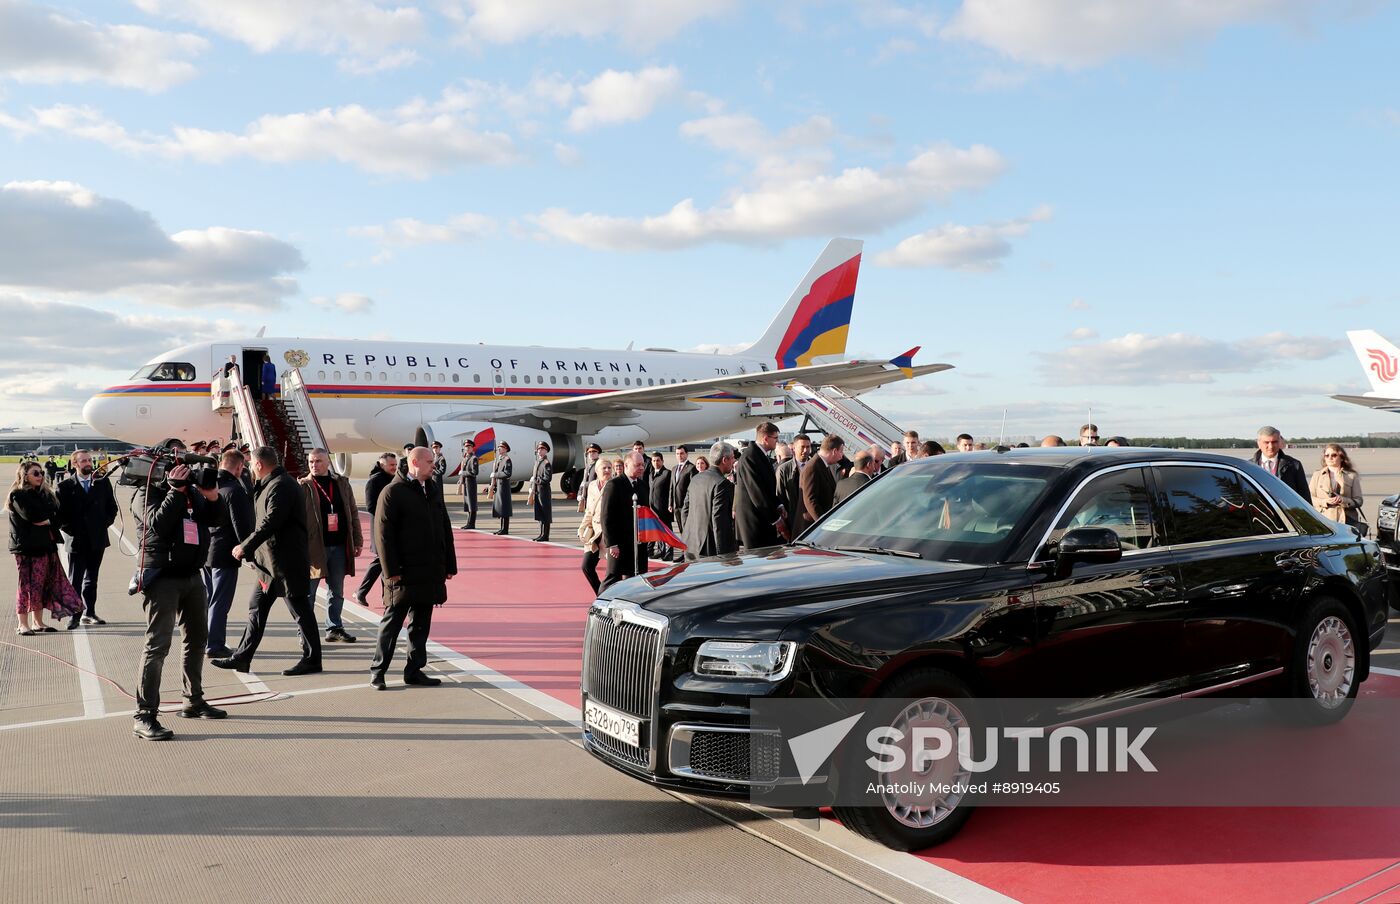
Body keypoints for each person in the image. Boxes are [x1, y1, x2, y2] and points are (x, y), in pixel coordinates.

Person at [129, 465, 229, 739]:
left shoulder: (191, 493)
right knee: (157, 645)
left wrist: (211, 497)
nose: (183, 470)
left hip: (192, 575)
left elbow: (216, 519)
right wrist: (174, 491)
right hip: (162, 577)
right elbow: (157, 524)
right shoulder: (145, 492)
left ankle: (193, 700)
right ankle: (144, 714)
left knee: (197, 640)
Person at [213, 446, 323, 677]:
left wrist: (246, 545)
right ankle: (242, 658)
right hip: (270, 564)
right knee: (257, 608)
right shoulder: (269, 484)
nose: (250, 468)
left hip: (285, 562)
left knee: (300, 610)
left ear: (259, 464)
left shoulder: (282, 485)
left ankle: (312, 659)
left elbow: (271, 521)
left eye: (252, 464)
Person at [370, 446, 457, 690]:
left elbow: (444, 528)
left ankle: (415, 669)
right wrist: (391, 571)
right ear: (415, 462)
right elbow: (383, 535)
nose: (434, 465)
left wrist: (449, 564)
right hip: (403, 573)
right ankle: (378, 671)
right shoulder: (392, 492)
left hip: (429, 571)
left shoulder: (432, 489)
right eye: (429, 461)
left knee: (420, 624)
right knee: (392, 623)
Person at [8, 461, 83, 635]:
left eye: (41, 473)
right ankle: (22, 624)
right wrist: (49, 517)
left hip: (46, 545)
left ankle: (38, 622)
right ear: (24, 475)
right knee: (26, 586)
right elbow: (32, 516)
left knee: (41, 586)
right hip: (26, 548)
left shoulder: (45, 495)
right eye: (35, 473)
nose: (40, 476)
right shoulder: (18, 495)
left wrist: (48, 520)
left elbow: (59, 517)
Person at [302, 448, 364, 644]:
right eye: (311, 462)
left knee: (336, 591)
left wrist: (357, 539)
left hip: (338, 545)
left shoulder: (341, 484)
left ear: (328, 462)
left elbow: (352, 512)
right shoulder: (303, 485)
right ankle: (306, 633)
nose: (314, 465)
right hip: (313, 548)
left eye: (318, 461)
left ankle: (334, 627)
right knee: (308, 593)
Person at [55, 449, 119, 629]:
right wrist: (75, 531)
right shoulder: (65, 487)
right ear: (75, 464)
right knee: (75, 580)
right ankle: (75, 615)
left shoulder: (102, 482)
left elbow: (111, 508)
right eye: (83, 461)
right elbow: (60, 517)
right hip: (77, 541)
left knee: (92, 579)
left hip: (97, 539)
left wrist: (102, 525)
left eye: (89, 460)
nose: (88, 464)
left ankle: (90, 612)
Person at [203, 450, 253, 658]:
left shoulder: (208, 486)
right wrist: (249, 552)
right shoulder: (234, 490)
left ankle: (205, 639)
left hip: (206, 550)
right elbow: (241, 525)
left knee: (209, 598)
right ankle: (214, 644)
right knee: (220, 601)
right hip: (225, 553)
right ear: (240, 467)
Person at [599, 451, 650, 592]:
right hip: (619, 545)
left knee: (637, 579)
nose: (641, 468)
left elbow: (647, 513)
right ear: (626, 465)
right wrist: (612, 544)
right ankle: (600, 605)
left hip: (638, 544)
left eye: (642, 464)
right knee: (612, 578)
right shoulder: (614, 485)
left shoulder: (643, 486)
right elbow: (606, 517)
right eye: (637, 465)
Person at [353, 452, 397, 605]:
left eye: (395, 465)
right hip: (379, 527)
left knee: (385, 562)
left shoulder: (392, 479)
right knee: (381, 560)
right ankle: (362, 592)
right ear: (382, 464)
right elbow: (371, 506)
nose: (394, 467)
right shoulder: (374, 481)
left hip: (391, 527)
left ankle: (386, 596)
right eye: (391, 465)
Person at [681, 442, 738, 560]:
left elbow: (685, 511)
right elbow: (719, 520)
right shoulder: (722, 484)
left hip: (690, 544)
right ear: (724, 460)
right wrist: (724, 554)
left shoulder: (696, 478)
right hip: (709, 550)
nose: (734, 461)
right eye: (732, 458)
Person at [735, 422, 787, 550]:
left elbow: (767, 487)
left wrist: (778, 505)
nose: (777, 441)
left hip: (762, 519)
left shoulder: (760, 455)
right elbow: (757, 493)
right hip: (753, 522)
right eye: (775, 438)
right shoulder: (750, 457)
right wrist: (777, 520)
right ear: (766, 438)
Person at [577, 458, 616, 595]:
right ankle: (601, 595)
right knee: (586, 566)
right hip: (594, 533)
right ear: (597, 471)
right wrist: (582, 528)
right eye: (604, 468)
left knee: (613, 572)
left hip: (608, 533)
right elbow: (589, 511)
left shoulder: (615, 485)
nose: (607, 470)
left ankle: (609, 597)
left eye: (609, 468)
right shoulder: (592, 485)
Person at [1310, 445, 1365, 528]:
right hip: (1323, 520)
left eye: (1334, 455)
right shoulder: (1317, 475)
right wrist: (1325, 501)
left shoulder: (1351, 476)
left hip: (1347, 521)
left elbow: (1359, 500)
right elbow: (1309, 498)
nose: (1330, 458)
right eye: (1327, 455)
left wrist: (1343, 500)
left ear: (1341, 457)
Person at [1249, 426, 1310, 500]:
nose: (1271, 446)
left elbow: (1305, 497)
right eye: (1266, 442)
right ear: (1259, 443)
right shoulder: (1249, 466)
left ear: (1279, 442)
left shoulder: (1294, 465)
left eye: (1274, 442)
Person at [799, 434, 844, 532]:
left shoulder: (822, 465)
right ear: (834, 451)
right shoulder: (813, 467)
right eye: (841, 451)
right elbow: (810, 500)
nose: (841, 456)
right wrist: (823, 524)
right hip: (812, 528)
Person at [775, 433, 812, 540]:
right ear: (794, 449)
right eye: (802, 447)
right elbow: (779, 495)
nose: (805, 450)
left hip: (810, 521)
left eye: (808, 447)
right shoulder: (783, 470)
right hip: (792, 519)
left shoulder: (814, 467)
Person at [647, 451, 675, 561]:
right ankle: (661, 551)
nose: (655, 463)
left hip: (664, 509)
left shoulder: (667, 473)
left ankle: (668, 553)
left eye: (658, 460)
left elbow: (670, 491)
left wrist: (670, 504)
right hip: (653, 509)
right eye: (653, 461)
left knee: (667, 532)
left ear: (662, 461)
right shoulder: (651, 474)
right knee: (658, 532)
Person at [529, 441, 554, 542]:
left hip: (544, 490)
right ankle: (541, 533)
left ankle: (545, 535)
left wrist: (537, 480)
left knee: (545, 512)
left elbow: (547, 478)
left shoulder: (546, 463)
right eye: (539, 449)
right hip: (537, 490)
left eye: (542, 449)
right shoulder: (537, 462)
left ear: (546, 451)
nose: (540, 451)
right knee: (540, 512)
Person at [669, 445, 696, 534]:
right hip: (676, 506)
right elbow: (671, 487)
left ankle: (688, 547)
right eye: (677, 454)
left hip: (686, 505)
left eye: (681, 453)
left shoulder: (691, 468)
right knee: (681, 529)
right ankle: (684, 546)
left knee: (688, 529)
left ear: (687, 454)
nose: (679, 456)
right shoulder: (674, 469)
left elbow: (693, 487)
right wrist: (670, 503)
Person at [489, 441, 513, 535]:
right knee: (500, 507)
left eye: (501, 447)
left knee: (505, 507)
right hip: (499, 485)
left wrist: (496, 474)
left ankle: (505, 528)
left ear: (506, 449)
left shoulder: (507, 460)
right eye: (499, 447)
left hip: (504, 486)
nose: (499, 449)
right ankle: (502, 528)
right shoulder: (499, 459)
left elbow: (507, 473)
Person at [458, 438, 479, 529]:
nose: (467, 448)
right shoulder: (466, 458)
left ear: (472, 448)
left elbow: (474, 472)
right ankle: (468, 522)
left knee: (472, 503)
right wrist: (461, 479)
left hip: (471, 483)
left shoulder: (473, 459)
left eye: (469, 447)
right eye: (466, 446)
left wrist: (463, 473)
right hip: (466, 483)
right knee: (467, 503)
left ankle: (472, 523)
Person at [576, 443, 603, 514]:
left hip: (595, 497)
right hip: (588, 497)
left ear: (598, 453)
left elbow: (599, 481)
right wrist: (579, 494)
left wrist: (587, 484)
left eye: (594, 452)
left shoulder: (599, 465)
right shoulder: (588, 466)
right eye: (589, 452)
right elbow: (583, 482)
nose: (591, 453)